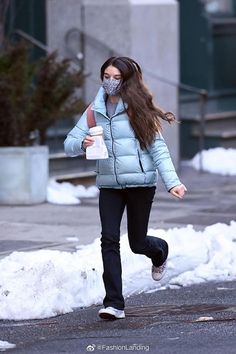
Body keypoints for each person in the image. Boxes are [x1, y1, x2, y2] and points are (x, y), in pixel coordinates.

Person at [64, 56, 187, 321]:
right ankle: (114, 304)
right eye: (106, 77)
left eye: (116, 78)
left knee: (137, 242)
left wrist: (173, 182)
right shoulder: (94, 110)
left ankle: (159, 250)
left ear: (127, 80)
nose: (110, 82)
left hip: (141, 184)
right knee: (109, 239)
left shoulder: (138, 109)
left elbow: (159, 150)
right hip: (109, 185)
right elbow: (68, 143)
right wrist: (82, 143)